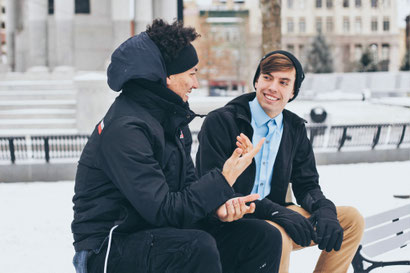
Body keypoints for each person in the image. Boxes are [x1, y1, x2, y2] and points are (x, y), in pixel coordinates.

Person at [71, 19, 283, 273]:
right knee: (196, 247)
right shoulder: (126, 128)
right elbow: (162, 210)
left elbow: (185, 193)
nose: (195, 83)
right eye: (192, 73)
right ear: (166, 77)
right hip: (108, 247)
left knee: (261, 237)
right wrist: (223, 179)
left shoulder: (171, 120)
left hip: (159, 235)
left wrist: (217, 209)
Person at [196, 50, 365, 273]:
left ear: (293, 91)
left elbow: (307, 184)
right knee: (277, 235)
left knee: (350, 220)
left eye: (283, 82)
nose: (273, 88)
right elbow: (212, 189)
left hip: (278, 213)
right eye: (267, 77)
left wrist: (324, 209)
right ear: (256, 80)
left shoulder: (293, 128)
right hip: (232, 219)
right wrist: (275, 212)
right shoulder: (222, 121)